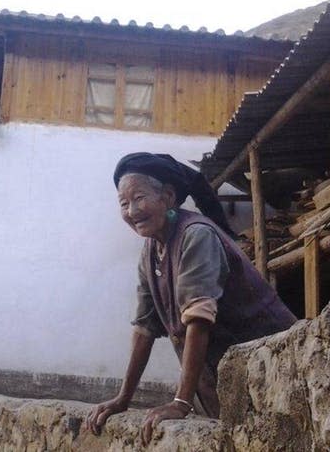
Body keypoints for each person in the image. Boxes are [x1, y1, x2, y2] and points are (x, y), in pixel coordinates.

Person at [85, 152, 296, 444]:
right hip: (226, 384)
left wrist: (180, 402)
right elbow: (145, 329)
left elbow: (198, 318)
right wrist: (123, 398)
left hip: (274, 372)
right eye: (124, 203)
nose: (132, 211)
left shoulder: (197, 235)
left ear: (169, 197)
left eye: (139, 198)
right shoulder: (150, 252)